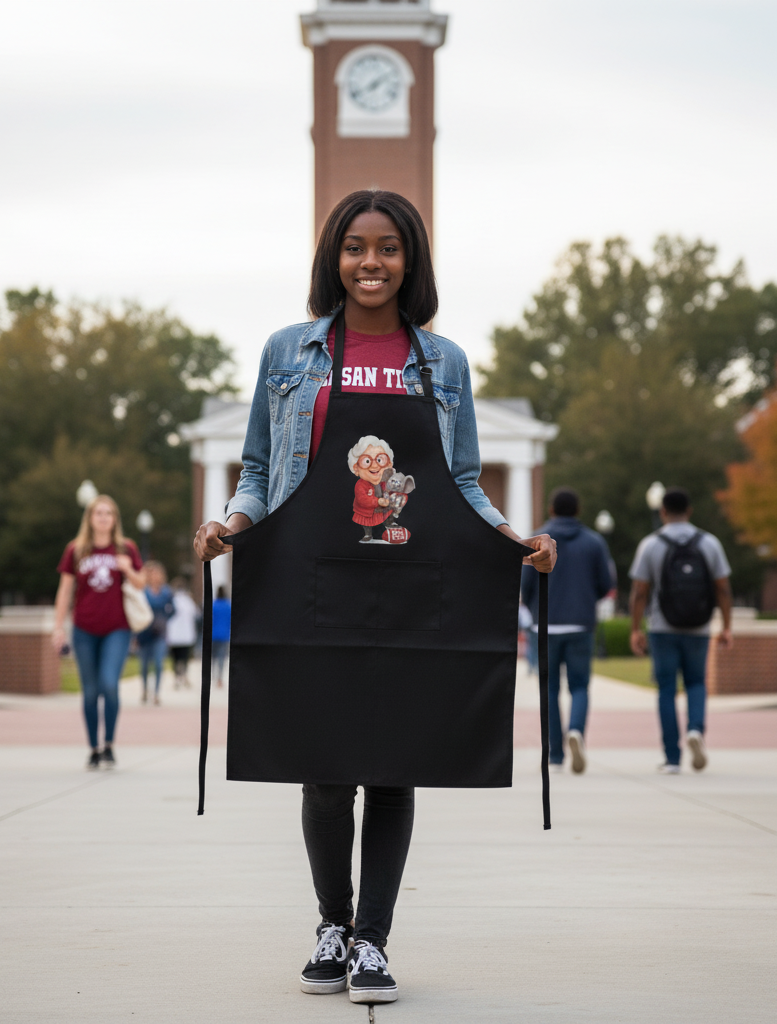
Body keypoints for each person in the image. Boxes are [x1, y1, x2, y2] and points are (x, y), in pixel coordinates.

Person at [193, 189, 556, 1005]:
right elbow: (259, 468)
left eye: (388, 247)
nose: (370, 262)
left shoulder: (444, 361)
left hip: (408, 582)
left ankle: (373, 944)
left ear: (410, 261)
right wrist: (229, 523)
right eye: (356, 246)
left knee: (396, 766)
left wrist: (516, 542)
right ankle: (331, 922)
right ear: (334, 257)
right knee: (323, 768)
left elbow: (461, 482)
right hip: (307, 580)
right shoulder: (290, 352)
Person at [628, 487, 733, 773]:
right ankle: (696, 730)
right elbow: (723, 588)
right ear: (689, 511)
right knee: (696, 683)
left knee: (666, 690)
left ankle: (672, 758)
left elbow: (640, 591)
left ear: (663, 512)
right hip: (699, 627)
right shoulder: (709, 543)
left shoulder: (651, 544)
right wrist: (726, 627)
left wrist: (636, 628)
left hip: (663, 627)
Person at [521, 487, 613, 774]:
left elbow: (525, 585)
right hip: (581, 624)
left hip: (545, 625)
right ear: (578, 510)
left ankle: (556, 755)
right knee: (579, 686)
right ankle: (576, 731)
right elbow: (605, 583)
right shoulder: (594, 542)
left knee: (549, 690)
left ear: (551, 510)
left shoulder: (537, 540)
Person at [53, 495, 145, 769]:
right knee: (90, 692)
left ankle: (109, 745)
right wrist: (59, 628)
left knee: (109, 684)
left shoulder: (126, 548)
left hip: (117, 629)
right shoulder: (77, 550)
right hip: (84, 630)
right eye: (98, 513)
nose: (103, 517)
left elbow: (141, 584)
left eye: (108, 513)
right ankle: (94, 747)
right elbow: (65, 591)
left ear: (115, 519)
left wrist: (128, 569)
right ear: (90, 518)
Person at [137, 561, 174, 705]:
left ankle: (156, 693)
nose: (154, 576)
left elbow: (173, 609)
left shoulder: (166, 591)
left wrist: (165, 619)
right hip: (144, 631)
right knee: (144, 664)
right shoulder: (143, 591)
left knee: (159, 663)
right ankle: (145, 689)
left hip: (160, 632)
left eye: (156, 573)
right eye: (151, 573)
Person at [166, 577, 199, 690]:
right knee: (184, 657)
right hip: (185, 636)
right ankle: (184, 675)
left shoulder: (171, 600)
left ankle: (177, 677)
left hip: (174, 635)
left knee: (175, 658)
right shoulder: (188, 601)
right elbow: (196, 614)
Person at [211, 585, 231, 687]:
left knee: (213, 657)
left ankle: (212, 676)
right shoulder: (228, 606)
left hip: (213, 635)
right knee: (221, 658)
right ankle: (219, 678)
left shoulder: (213, 605)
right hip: (224, 635)